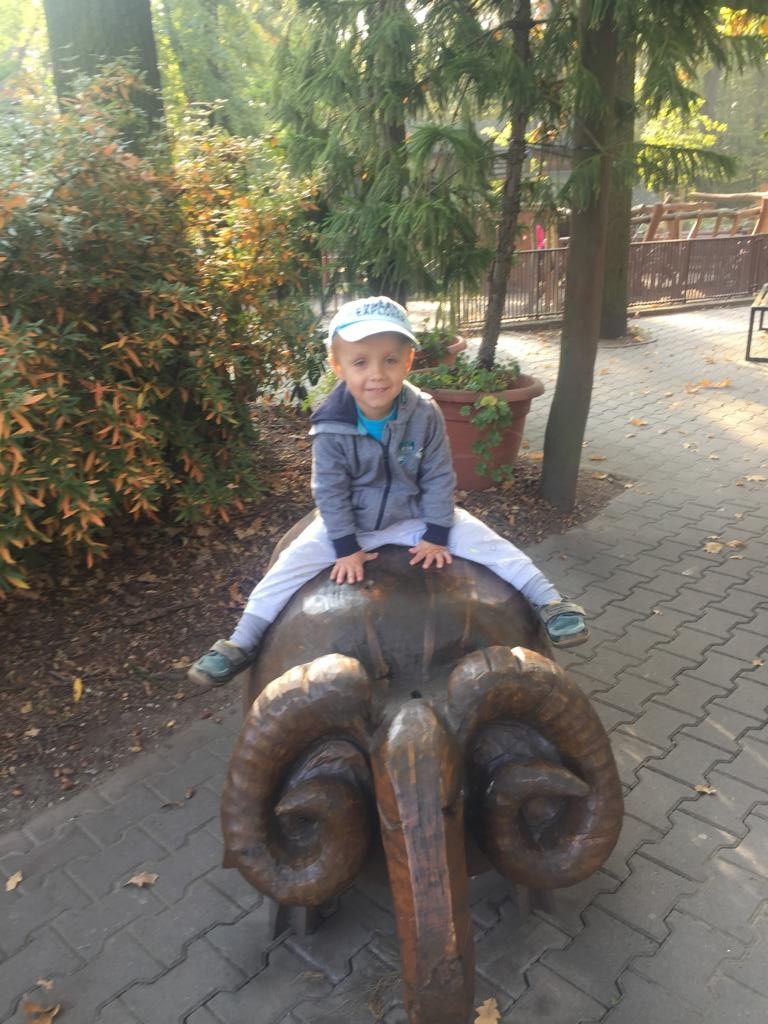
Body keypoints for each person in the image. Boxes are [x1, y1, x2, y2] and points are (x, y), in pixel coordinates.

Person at [188, 296, 588, 686]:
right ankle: (241, 641)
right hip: (353, 525)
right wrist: (345, 545)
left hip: (414, 517)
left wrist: (437, 532)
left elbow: (437, 475)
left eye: (390, 360)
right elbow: (330, 491)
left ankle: (550, 602)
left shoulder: (424, 412)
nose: (377, 374)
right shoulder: (330, 424)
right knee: (286, 570)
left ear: (408, 361)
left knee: (492, 546)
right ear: (338, 366)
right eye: (361, 362)